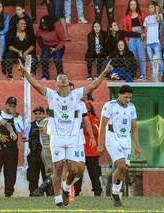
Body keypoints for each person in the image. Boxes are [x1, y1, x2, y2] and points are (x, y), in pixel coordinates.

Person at [18, 58, 112, 207]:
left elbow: (93, 85)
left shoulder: (76, 95)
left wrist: (104, 73)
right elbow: (36, 84)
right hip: (57, 138)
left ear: (68, 83)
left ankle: (66, 187)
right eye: (59, 77)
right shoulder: (51, 95)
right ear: (56, 83)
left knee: (78, 170)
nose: (62, 78)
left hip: (74, 138)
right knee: (58, 168)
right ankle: (57, 199)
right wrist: (26, 73)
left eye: (65, 77)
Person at [98, 85, 141, 207]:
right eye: (126, 97)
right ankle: (115, 193)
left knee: (123, 169)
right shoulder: (109, 105)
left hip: (125, 139)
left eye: (130, 98)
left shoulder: (132, 107)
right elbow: (102, 126)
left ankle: (116, 194)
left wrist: (137, 146)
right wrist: (100, 144)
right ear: (119, 95)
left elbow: (134, 129)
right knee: (121, 164)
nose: (128, 100)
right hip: (112, 137)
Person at [0, 96, 24, 197]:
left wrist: (15, 116)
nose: (11, 107)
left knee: (11, 173)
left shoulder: (17, 117)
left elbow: (20, 129)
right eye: (9, 105)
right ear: (5, 104)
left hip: (12, 149)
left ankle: (9, 194)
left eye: (13, 105)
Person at [74, 99, 102, 197]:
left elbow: (96, 131)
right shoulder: (77, 119)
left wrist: (85, 126)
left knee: (94, 174)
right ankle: (76, 192)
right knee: (78, 173)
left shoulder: (94, 119)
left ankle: (97, 192)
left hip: (91, 152)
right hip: (81, 150)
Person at [24, 106, 49, 196]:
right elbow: (25, 138)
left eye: (40, 113)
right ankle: (33, 193)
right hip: (34, 154)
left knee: (47, 174)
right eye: (36, 114)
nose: (38, 115)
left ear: (44, 114)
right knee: (33, 175)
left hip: (45, 153)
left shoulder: (48, 124)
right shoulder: (30, 125)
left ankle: (49, 193)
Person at [36, 15, 66, 80]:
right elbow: (39, 40)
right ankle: (45, 76)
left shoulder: (57, 28)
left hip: (58, 46)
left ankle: (60, 75)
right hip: (46, 46)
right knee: (44, 58)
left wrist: (56, 48)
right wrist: (43, 48)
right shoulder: (39, 30)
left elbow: (63, 40)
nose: (43, 25)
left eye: (45, 23)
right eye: (42, 23)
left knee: (57, 59)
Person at [123, 0, 147, 80]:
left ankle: (143, 74)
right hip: (131, 36)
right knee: (133, 56)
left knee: (142, 56)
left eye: (134, 4)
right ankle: (134, 74)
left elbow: (145, 26)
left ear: (137, 5)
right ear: (129, 6)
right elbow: (125, 30)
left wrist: (144, 34)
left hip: (140, 36)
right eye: (131, 4)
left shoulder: (142, 14)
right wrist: (126, 40)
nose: (133, 6)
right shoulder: (126, 17)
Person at [144, 1, 164, 81]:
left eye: (152, 7)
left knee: (159, 60)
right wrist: (146, 42)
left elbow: (159, 19)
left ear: (155, 7)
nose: (150, 9)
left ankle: (162, 74)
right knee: (152, 61)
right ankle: (155, 75)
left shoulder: (159, 15)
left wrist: (157, 11)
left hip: (156, 42)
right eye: (149, 7)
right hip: (148, 43)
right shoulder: (146, 18)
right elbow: (146, 30)